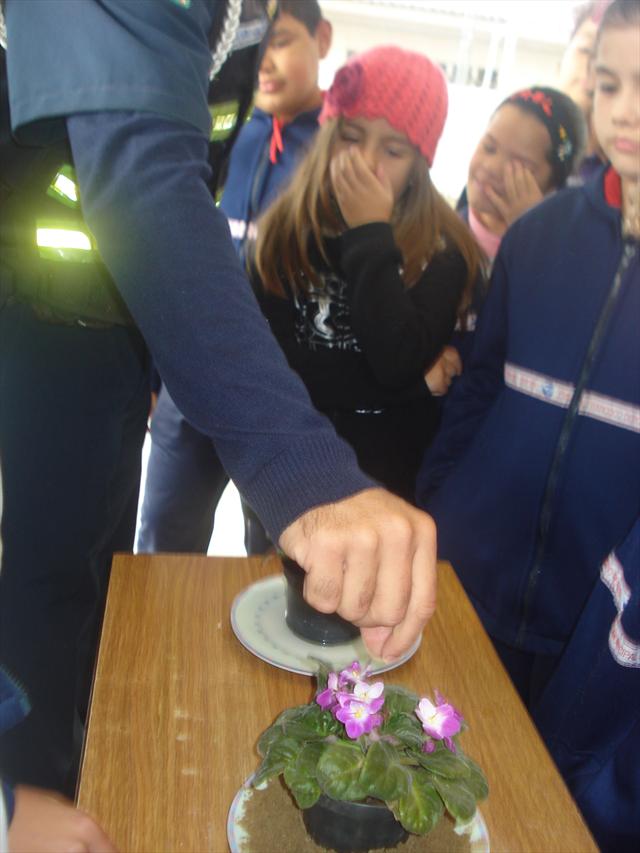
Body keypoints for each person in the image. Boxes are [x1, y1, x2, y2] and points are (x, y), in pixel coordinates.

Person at [0, 0, 438, 798]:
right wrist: (306, 470)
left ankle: (73, 773)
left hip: (116, 327)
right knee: (39, 580)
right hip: (31, 316)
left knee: (93, 575)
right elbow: (141, 162)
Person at [415, 0, 639, 814]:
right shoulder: (541, 234)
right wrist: (437, 505)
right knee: (435, 793)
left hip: (595, 635)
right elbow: (477, 387)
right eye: (610, 84)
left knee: (532, 811)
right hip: (471, 586)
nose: (626, 109)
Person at [137, 0, 332, 556]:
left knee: (276, 558)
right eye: (259, 45)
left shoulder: (340, 151)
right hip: (190, 379)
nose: (266, 61)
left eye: (285, 41)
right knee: (164, 540)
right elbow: (172, 256)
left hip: (284, 394)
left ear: (323, 39)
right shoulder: (223, 132)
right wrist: (156, 377)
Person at [252, 45, 483, 504]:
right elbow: (276, 375)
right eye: (351, 136)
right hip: (291, 479)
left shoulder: (444, 249)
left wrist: (369, 233)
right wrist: (415, 387)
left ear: (420, 165)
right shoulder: (284, 232)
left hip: (391, 492)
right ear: (328, 134)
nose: (366, 161)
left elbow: (395, 357)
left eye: (394, 149)